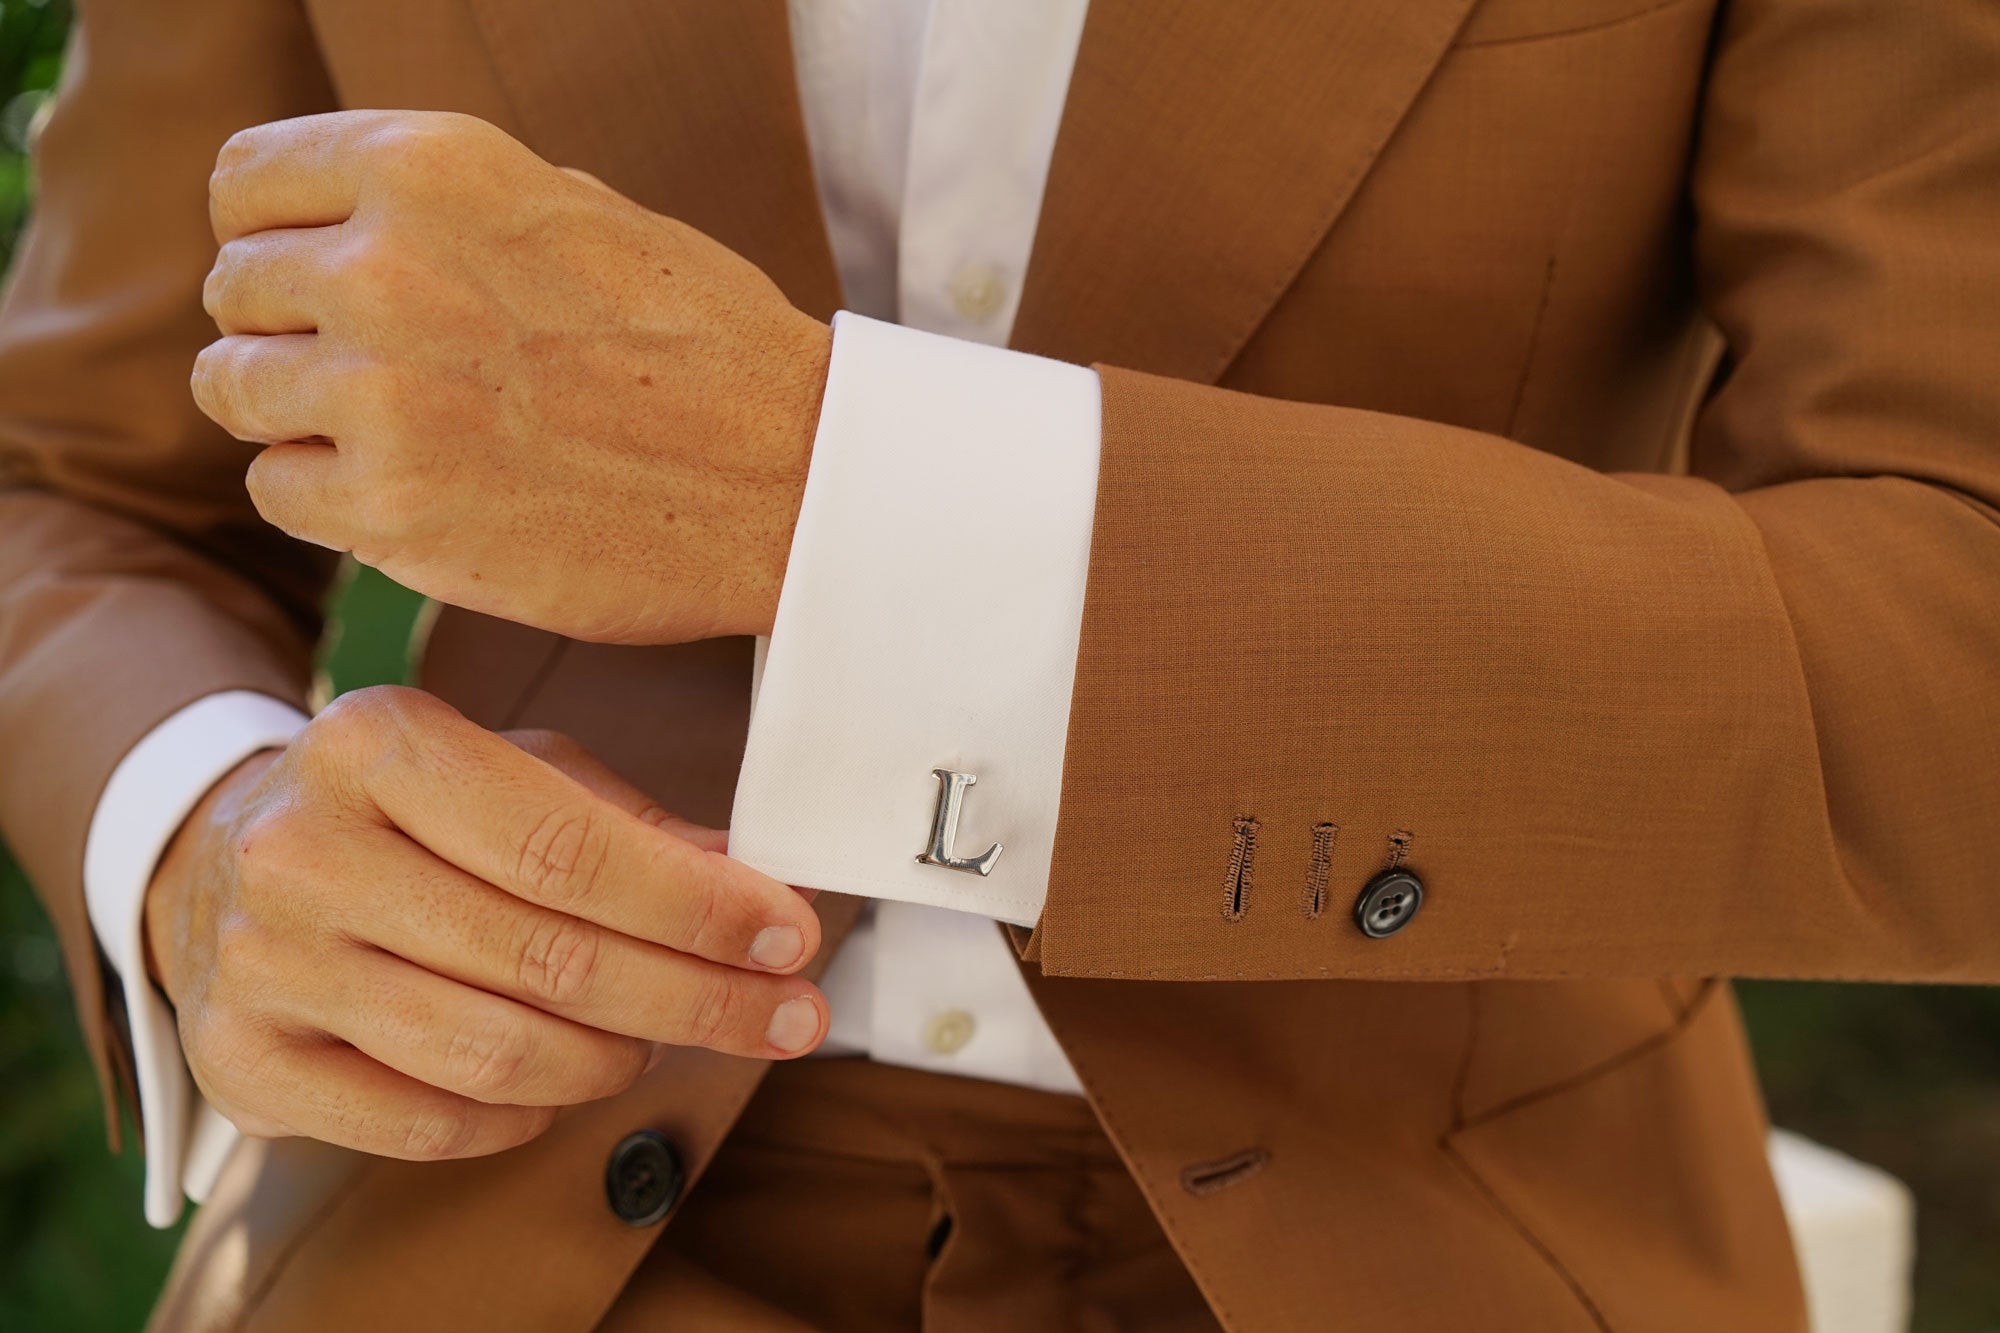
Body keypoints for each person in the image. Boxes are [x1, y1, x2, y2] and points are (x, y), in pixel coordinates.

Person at [0, 0, 1994, 1328]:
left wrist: (830, 493)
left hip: (1446, 1226)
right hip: (471, 1220)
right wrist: (199, 826)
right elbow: (61, 482)